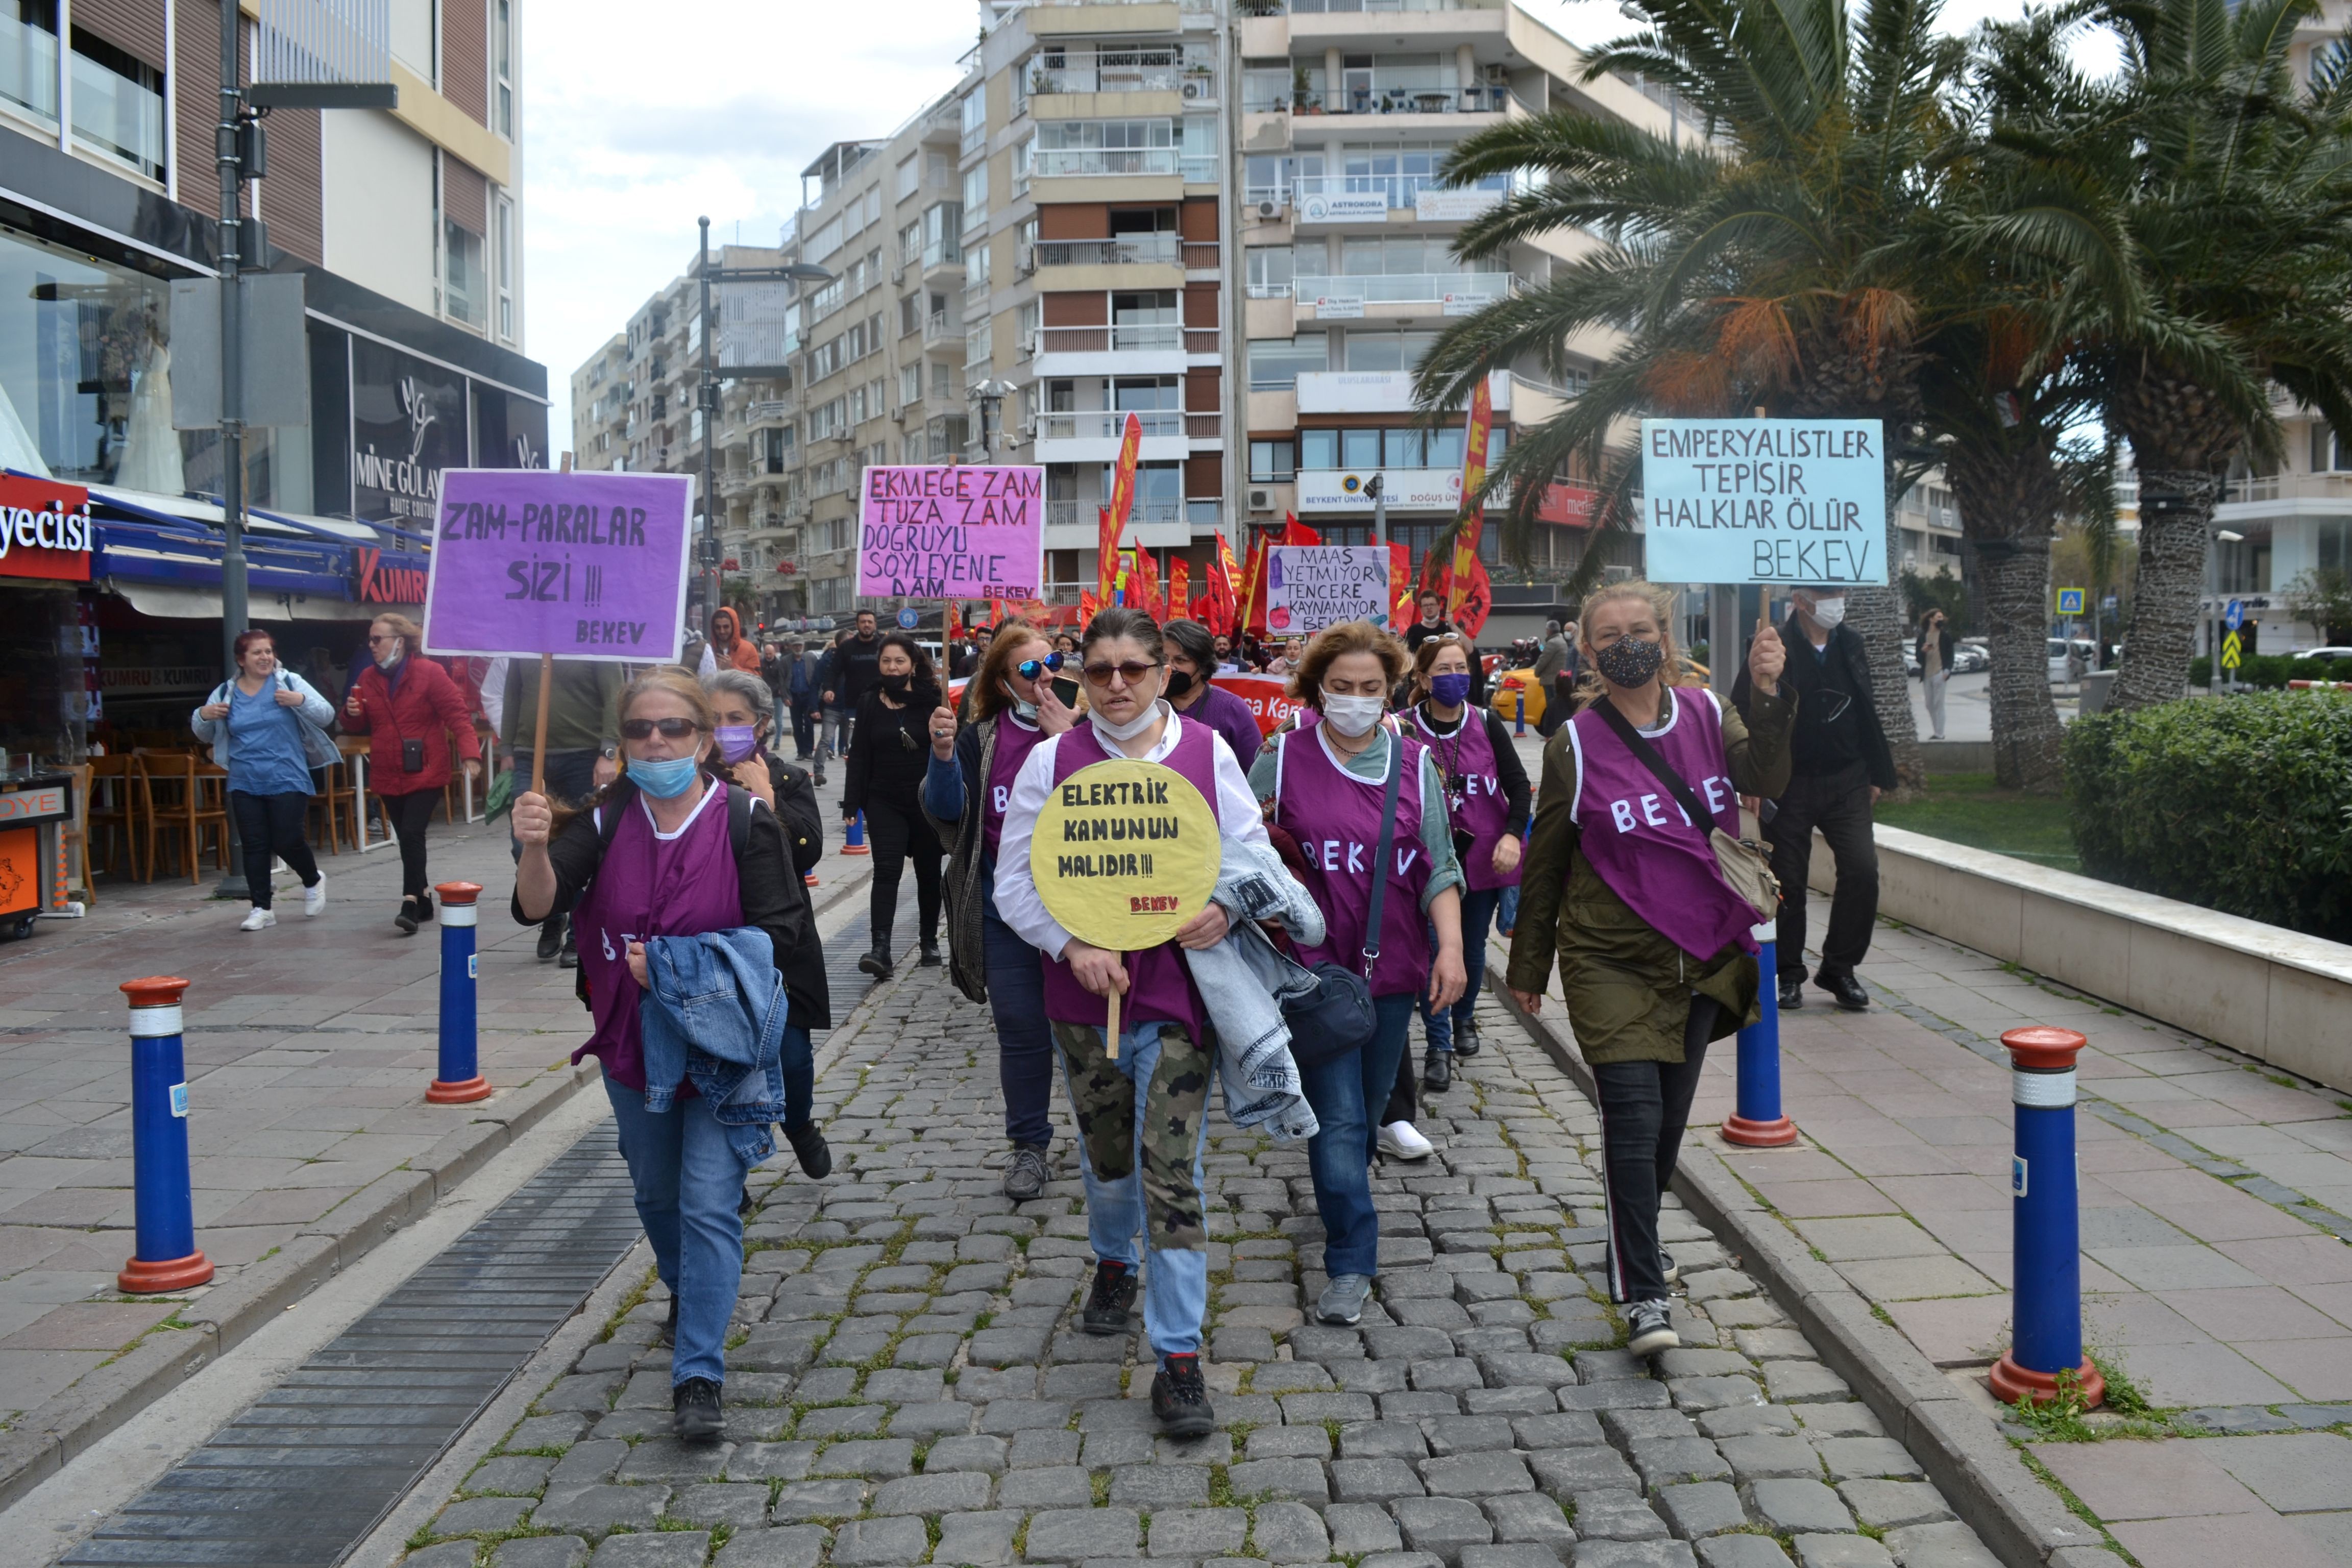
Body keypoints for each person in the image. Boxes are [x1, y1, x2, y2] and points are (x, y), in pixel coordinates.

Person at [513, 668, 829, 1442]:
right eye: (641, 731)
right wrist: (533, 847)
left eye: (674, 730)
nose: (656, 742)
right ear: (622, 743)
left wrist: (686, 967)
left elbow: (783, 933)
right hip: (632, 1043)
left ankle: (698, 1375)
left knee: (709, 1202)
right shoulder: (606, 818)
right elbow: (539, 908)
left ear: (701, 739)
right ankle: (689, 1289)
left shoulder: (745, 822)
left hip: (722, 1048)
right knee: (656, 1195)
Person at [996, 607, 1268, 1439]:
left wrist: (1225, 904)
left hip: (1179, 998)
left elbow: (1252, 853)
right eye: (1100, 669)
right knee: (1109, 1159)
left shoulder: (1204, 751)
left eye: (1133, 669)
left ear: (1163, 671)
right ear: (1080, 672)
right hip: (1086, 1001)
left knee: (1169, 1170)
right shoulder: (1054, 759)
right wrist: (1068, 941)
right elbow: (1013, 882)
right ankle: (1113, 1260)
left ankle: (1178, 1356)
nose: (1115, 685)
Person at [1508, 581, 1791, 1356]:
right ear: (1590, 652)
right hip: (1610, 956)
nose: (1626, 642)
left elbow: (1764, 777)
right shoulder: (1574, 742)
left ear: (1664, 640)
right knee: (1631, 1123)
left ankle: (1629, 1241)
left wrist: (1766, 691)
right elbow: (1548, 860)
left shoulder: (1707, 713)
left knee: (1665, 1129)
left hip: (1701, 951)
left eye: (1640, 629)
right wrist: (1526, 965)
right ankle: (1644, 1295)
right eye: (1610, 634)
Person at [1252, 621, 1467, 1329]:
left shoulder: (1415, 766)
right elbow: (1243, 851)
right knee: (1339, 1118)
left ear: (1391, 691)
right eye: (1340, 688)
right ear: (1316, 689)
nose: (1355, 699)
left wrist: (1452, 950)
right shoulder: (1280, 760)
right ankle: (1350, 1257)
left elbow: (1438, 864)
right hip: (1313, 975)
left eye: (1370, 688)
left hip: (1395, 969)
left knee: (1373, 1109)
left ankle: (1347, 1191)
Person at [922, 625, 1080, 1203]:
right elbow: (949, 817)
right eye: (1028, 671)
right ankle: (1029, 1147)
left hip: (1081, 917)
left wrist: (1070, 743)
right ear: (1003, 681)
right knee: (1021, 1031)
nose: (1043, 680)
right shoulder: (980, 739)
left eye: (1053, 665)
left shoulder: (1088, 731)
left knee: (1088, 1033)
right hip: (1004, 914)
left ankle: (1104, 1136)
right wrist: (942, 756)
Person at [1733, 586, 1896, 1014]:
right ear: (1801, 600)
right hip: (1790, 782)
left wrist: (1876, 772)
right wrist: (1749, 776)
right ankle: (1788, 974)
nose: (1836, 600)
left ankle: (1840, 969)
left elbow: (1866, 708)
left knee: (1863, 869)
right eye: (1826, 593)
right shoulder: (1770, 644)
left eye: (1840, 591)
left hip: (1848, 779)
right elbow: (1742, 709)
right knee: (1787, 878)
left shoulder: (1851, 643)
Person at [702, 667, 832, 1179]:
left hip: (781, 938)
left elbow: (810, 851)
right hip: (713, 935)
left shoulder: (785, 776)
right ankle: (727, 1169)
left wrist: (769, 800)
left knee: (792, 1054)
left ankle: (799, 1123)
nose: (723, 728)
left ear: (759, 725)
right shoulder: (692, 778)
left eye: (735, 718)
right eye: (712, 719)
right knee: (720, 1062)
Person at [1404, 632, 1528, 1093]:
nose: (1455, 678)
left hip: (1482, 861)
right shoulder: (1403, 728)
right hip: (1426, 863)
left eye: (1461, 669)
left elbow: (1518, 787)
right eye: (1443, 670)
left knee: (1471, 950)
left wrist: (1513, 835)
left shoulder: (1487, 723)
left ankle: (1465, 1016)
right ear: (1422, 677)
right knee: (1435, 949)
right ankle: (1438, 1046)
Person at [342, 614, 481, 933]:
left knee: (412, 834)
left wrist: (471, 755)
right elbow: (355, 724)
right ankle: (426, 899)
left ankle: (410, 902)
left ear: (400, 642)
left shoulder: (430, 672)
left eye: (378, 639)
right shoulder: (367, 677)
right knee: (407, 838)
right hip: (388, 771)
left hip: (426, 769)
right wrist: (351, 714)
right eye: (371, 640)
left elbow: (458, 716)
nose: (372, 646)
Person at [192, 629, 334, 930]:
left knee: (286, 839)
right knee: (254, 845)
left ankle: (313, 879)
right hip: (244, 779)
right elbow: (204, 732)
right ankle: (262, 908)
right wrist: (203, 714)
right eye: (257, 652)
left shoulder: (289, 682)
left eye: (268, 651)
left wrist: (301, 700)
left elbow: (325, 715)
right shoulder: (225, 692)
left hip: (287, 775)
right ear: (241, 659)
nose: (265, 657)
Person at [500, 658, 625, 963]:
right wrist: (506, 748)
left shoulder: (594, 640)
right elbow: (512, 694)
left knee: (577, 845)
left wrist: (609, 751)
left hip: (583, 755)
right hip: (530, 754)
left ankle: (578, 933)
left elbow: (614, 694)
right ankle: (550, 912)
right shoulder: (529, 641)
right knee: (524, 840)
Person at [842, 632, 946, 978]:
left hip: (924, 798)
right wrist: (852, 803)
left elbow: (946, 749)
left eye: (899, 661)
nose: (892, 667)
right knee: (886, 871)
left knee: (928, 872)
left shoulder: (932, 699)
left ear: (912, 664)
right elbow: (859, 754)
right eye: (886, 661)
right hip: (883, 799)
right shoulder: (870, 700)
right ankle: (881, 949)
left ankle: (929, 940)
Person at [1161, 619, 1265, 771]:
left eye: (1180, 660)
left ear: (1203, 666)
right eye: (1163, 659)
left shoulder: (1232, 708)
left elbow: (1256, 774)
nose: (1169, 666)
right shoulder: (1150, 706)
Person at [1917, 608, 1954, 742]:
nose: (1941, 619)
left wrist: (1947, 671)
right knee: (1929, 704)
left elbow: (1951, 656)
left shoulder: (1945, 636)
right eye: (1938, 617)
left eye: (1942, 617)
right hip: (1927, 675)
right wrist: (1923, 651)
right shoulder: (1922, 636)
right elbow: (1918, 658)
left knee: (1939, 704)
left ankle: (1940, 733)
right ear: (1931, 619)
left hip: (1940, 673)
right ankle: (1936, 731)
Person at [1532, 620, 1571, 737]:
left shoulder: (1553, 643)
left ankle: (1552, 732)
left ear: (1549, 631)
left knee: (1552, 707)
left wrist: (1537, 672)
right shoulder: (1561, 641)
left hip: (1550, 680)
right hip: (1556, 679)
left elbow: (1543, 660)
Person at [789, 638, 822, 765]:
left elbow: (817, 678)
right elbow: (783, 679)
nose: (798, 647)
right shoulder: (788, 661)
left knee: (809, 724)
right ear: (792, 647)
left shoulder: (811, 659)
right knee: (797, 725)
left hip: (808, 696)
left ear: (803, 646)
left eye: (800, 645)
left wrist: (818, 695)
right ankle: (800, 751)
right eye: (796, 645)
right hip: (794, 697)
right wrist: (786, 696)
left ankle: (809, 750)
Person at [702, 606, 761, 676]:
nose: (722, 631)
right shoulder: (708, 650)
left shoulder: (749, 649)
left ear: (734, 626)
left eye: (726, 627)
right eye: (718, 627)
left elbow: (757, 677)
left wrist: (732, 667)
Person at [1404, 589, 1458, 653]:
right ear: (1421, 609)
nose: (1429, 608)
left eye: (1432, 604)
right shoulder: (1413, 631)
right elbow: (1407, 656)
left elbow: (1468, 649)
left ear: (1439, 606)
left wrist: (1453, 625)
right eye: (1425, 605)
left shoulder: (1447, 628)